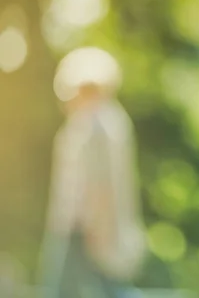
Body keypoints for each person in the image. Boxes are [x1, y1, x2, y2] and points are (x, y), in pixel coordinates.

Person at [39, 47, 146, 298]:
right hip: (79, 224)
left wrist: (98, 227)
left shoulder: (98, 124)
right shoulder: (102, 120)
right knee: (100, 287)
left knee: (67, 288)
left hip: (84, 225)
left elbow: (101, 181)